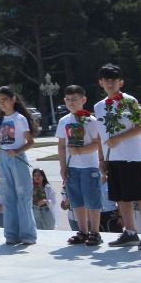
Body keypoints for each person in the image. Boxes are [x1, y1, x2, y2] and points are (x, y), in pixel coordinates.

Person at [95, 63, 141, 251]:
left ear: (121, 82)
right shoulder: (99, 106)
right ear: (101, 83)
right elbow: (99, 134)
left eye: (114, 80)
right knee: (120, 197)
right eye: (107, 80)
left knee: (139, 195)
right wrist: (101, 158)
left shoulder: (130, 101)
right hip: (112, 157)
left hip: (131, 155)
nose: (110, 84)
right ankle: (130, 232)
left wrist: (119, 137)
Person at [58, 85, 106, 247]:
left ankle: (95, 232)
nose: (71, 103)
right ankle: (82, 231)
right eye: (68, 100)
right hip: (72, 168)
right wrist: (63, 166)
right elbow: (61, 145)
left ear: (83, 100)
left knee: (92, 200)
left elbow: (97, 144)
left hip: (89, 167)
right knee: (77, 200)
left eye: (75, 99)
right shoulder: (64, 121)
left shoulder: (91, 121)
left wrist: (80, 150)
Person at [0, 87, 37, 246]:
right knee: (7, 196)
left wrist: (18, 151)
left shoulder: (20, 118)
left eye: (4, 100)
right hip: (3, 158)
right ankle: (11, 234)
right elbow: (1, 141)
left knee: (23, 195)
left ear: (13, 99)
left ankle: (28, 234)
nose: (2, 104)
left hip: (18, 158)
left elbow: (30, 142)